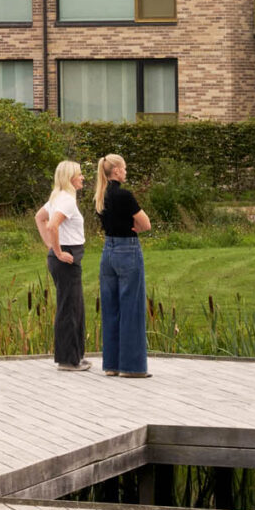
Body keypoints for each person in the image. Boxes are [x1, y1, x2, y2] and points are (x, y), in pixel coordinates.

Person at [94, 153, 153, 378]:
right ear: (116, 170)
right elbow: (145, 223)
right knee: (131, 306)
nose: (126, 172)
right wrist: (135, 227)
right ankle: (132, 367)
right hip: (127, 249)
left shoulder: (101, 196)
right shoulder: (124, 195)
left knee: (111, 308)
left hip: (107, 252)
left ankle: (112, 364)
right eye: (125, 169)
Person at [34, 159, 89, 371]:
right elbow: (52, 225)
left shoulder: (57, 198)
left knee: (75, 306)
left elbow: (39, 218)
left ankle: (75, 356)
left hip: (67, 255)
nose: (82, 177)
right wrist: (56, 251)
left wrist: (50, 247)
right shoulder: (66, 200)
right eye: (79, 174)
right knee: (69, 308)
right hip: (66, 255)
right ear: (69, 178)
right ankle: (67, 360)